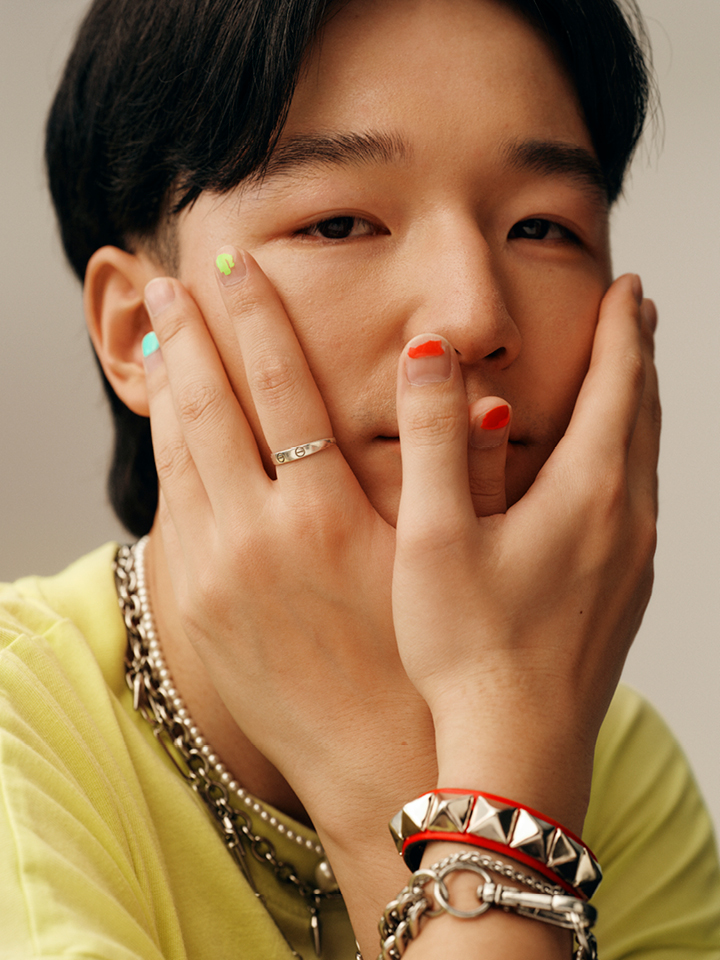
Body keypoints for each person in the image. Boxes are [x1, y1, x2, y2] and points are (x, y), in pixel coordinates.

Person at [1, 0, 719, 957]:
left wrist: (475, 739)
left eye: (542, 227)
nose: (473, 315)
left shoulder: (603, 755)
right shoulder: (22, 740)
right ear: (140, 333)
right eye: (339, 223)